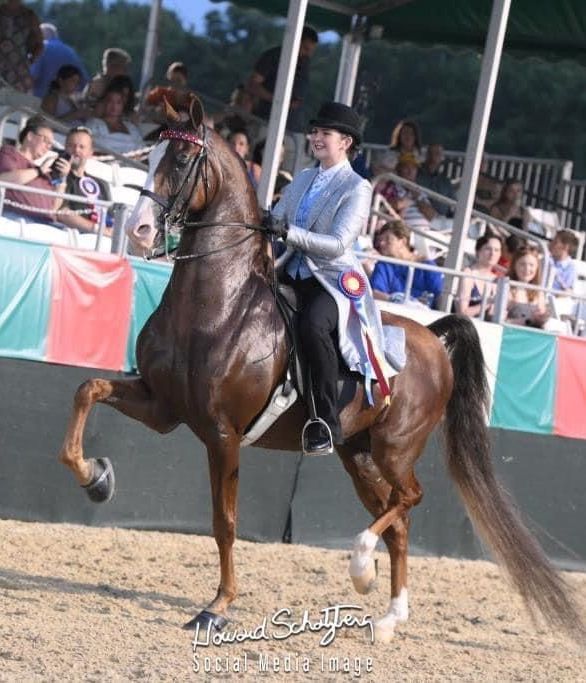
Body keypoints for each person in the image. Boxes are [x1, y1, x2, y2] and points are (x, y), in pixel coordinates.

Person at [265, 101, 391, 456]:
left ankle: (323, 421)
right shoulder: (304, 177)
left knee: (312, 327)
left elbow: (337, 245)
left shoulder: (357, 188)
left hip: (332, 282)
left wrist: (287, 233)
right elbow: (277, 216)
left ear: (346, 142)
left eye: (325, 133)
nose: (316, 138)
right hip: (290, 268)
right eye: (315, 132)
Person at [246, 25, 318, 132]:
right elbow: (252, 84)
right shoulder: (273, 56)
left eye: (311, 51)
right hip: (266, 123)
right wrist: (277, 100)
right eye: (305, 49)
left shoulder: (305, 64)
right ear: (296, 41)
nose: (307, 54)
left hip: (293, 128)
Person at [0, 115, 71, 224]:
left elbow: (53, 208)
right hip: (16, 219)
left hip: (45, 224)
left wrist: (62, 179)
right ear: (30, 136)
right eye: (45, 140)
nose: (48, 147)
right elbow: (4, 180)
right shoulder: (9, 153)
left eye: (50, 145)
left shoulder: (44, 171)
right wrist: (38, 171)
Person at [370, 220, 443, 308]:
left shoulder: (427, 266)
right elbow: (375, 293)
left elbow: (439, 296)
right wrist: (396, 301)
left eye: (387, 239)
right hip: (392, 312)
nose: (381, 243)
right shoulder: (383, 265)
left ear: (403, 242)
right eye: (381, 240)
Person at [54, 126, 111, 234]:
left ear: (91, 152)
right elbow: (62, 212)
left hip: (103, 239)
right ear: (65, 148)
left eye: (82, 147)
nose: (76, 150)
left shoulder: (102, 184)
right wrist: (97, 230)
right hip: (73, 236)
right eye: (71, 146)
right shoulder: (58, 176)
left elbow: (111, 216)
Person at [30, 22, 88, 98]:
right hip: (65, 104)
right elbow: (84, 81)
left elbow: (32, 77)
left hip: (42, 102)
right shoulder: (70, 51)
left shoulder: (41, 48)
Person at [455, 232, 502, 319]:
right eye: (488, 249)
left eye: (496, 250)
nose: (492, 253)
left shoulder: (496, 280)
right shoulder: (468, 273)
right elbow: (462, 312)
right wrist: (488, 303)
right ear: (478, 251)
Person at [0, 0, 43, 93]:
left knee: (18, 103)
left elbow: (39, 43)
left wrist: (31, 60)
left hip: (19, 71)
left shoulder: (29, 16)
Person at [86, 88, 143, 155]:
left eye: (118, 102)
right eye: (110, 101)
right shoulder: (94, 124)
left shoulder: (131, 127)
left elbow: (141, 148)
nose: (114, 106)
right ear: (104, 103)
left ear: (123, 106)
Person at [506, 245, 549, 328]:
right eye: (522, 264)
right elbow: (498, 320)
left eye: (531, 265)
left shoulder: (538, 293)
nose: (527, 269)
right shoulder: (507, 289)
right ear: (514, 266)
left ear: (537, 268)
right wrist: (527, 321)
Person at [416, 143, 455, 216]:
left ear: (442, 157)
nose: (433, 156)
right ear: (426, 155)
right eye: (430, 153)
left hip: (442, 220)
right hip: (420, 216)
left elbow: (453, 202)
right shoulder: (416, 174)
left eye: (437, 153)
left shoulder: (445, 181)